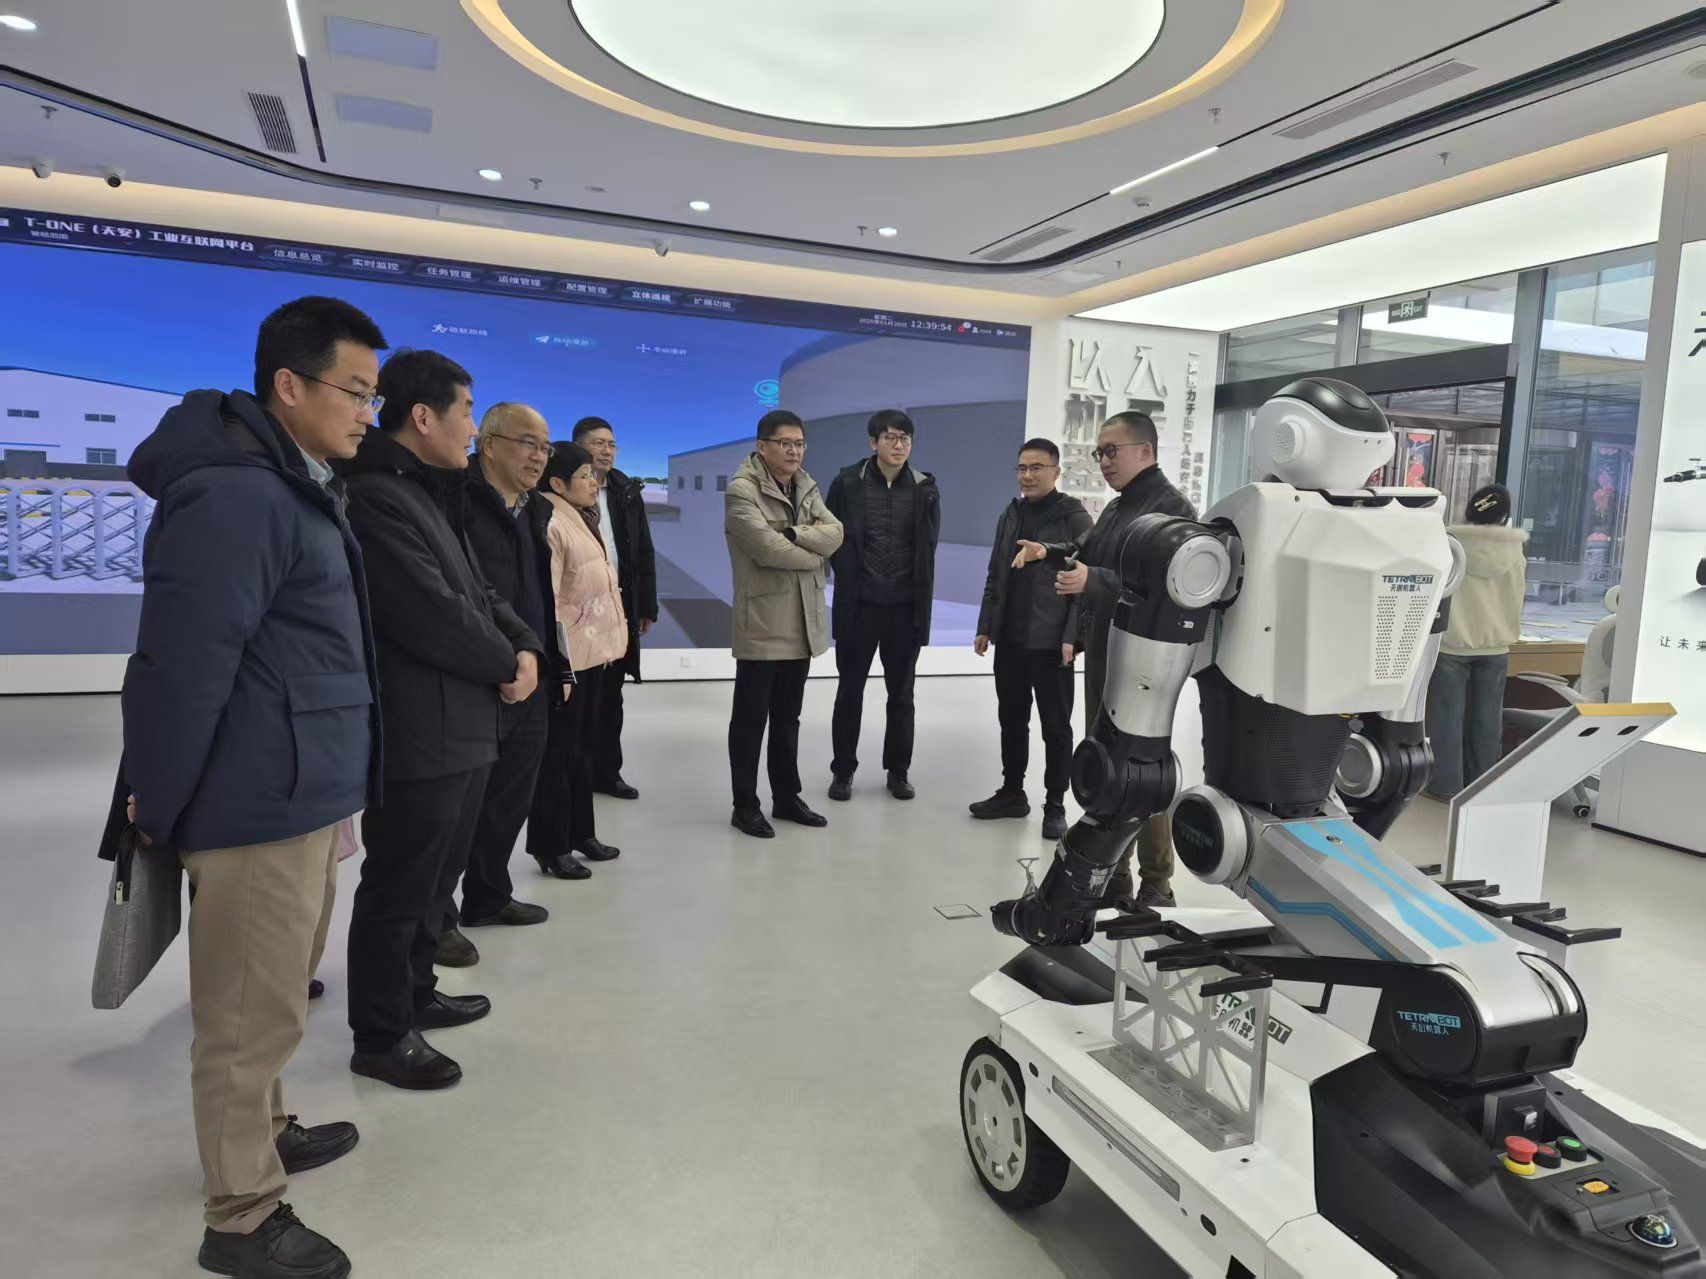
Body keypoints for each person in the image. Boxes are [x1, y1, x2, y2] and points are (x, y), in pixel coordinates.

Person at [118, 295, 387, 1279]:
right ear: (289, 385)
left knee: (272, 996)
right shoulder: (237, 495)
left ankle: (267, 1131)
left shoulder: (291, 483)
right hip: (254, 800)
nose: (366, 412)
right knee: (243, 1016)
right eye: (354, 391)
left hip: (301, 788)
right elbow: (183, 664)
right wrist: (157, 797)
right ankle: (240, 1216)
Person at [340, 349, 543, 1091]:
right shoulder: (374, 497)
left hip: (462, 723)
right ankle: (382, 1033)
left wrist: (523, 644)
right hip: (419, 727)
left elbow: (478, 591)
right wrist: (506, 662)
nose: (470, 428)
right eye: (466, 413)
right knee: (399, 883)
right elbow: (431, 613)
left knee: (435, 881)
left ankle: (417, 991)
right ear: (423, 417)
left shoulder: (423, 490)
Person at [1018, 411, 1194, 908]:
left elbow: (1169, 586)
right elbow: (1087, 552)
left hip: (1145, 659)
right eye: (1099, 453)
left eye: (1111, 451)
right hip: (1106, 647)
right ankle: (1114, 871)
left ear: (1146, 450)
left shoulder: (1173, 510)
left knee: (1143, 767)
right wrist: (1048, 553)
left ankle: (1157, 880)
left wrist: (1092, 581)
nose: (1103, 461)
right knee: (1108, 764)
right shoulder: (1119, 507)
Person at [439, 403, 575, 963]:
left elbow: (543, 598)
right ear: (489, 444)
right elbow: (460, 596)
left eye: (545, 447)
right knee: (457, 808)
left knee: (510, 797)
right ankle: (436, 920)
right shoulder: (456, 499)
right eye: (528, 444)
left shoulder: (537, 508)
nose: (540, 457)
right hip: (477, 677)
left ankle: (489, 895)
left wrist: (552, 663)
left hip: (532, 671)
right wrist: (500, 661)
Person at [725, 409, 844, 838]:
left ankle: (786, 797)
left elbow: (836, 532)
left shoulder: (805, 484)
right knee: (750, 721)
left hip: (802, 622)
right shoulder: (741, 491)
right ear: (762, 447)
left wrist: (793, 533)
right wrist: (812, 551)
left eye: (799, 443)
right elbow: (766, 549)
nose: (794, 451)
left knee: (788, 718)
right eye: (784, 443)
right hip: (763, 622)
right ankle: (745, 805)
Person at [971, 439, 1093, 840]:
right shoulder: (1011, 513)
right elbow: (995, 572)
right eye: (1022, 468)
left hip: (1051, 642)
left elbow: (1086, 565)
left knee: (1056, 728)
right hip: (1010, 638)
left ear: (1056, 472)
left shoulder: (1072, 513)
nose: (1028, 475)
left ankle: (1055, 804)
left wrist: (1074, 636)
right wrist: (985, 625)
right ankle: (1012, 792)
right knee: (1011, 719)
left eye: (1037, 467)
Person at [824, 409, 941, 802]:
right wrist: (848, 575)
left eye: (905, 438)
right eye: (890, 437)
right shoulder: (847, 482)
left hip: (905, 609)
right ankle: (843, 772)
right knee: (849, 692)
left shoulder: (925, 488)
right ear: (873, 443)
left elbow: (927, 550)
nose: (899, 445)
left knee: (902, 696)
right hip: (860, 607)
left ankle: (898, 771)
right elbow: (830, 536)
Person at [528, 439, 628, 875]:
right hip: (570, 659)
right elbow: (547, 602)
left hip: (595, 654)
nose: (593, 482)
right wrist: (560, 666)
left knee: (583, 749)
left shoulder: (583, 517)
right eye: (584, 476)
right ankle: (551, 845)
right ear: (557, 483)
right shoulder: (551, 522)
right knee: (559, 755)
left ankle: (581, 832)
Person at [572, 415, 658, 801]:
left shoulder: (625, 490)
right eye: (598, 443)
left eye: (611, 444)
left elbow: (643, 551)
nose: (607, 451)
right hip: (577, 608)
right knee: (579, 697)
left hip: (618, 605)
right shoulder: (560, 488)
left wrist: (646, 606)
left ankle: (608, 773)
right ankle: (575, 771)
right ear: (578, 446)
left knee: (611, 696)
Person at [1426, 483, 1528, 799]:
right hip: (1496, 645)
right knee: (1487, 721)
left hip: (1453, 643)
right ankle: (1482, 787)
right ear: (1505, 515)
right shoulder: (1515, 552)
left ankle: (1445, 786)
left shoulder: (1449, 546)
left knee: (1447, 719)